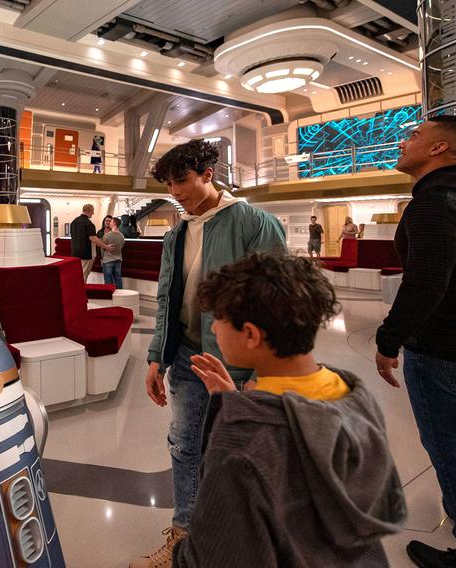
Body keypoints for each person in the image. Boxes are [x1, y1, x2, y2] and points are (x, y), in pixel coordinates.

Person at [174, 252, 406, 567]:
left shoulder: (241, 444)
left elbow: (214, 556)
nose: (213, 330)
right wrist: (233, 400)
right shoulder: (353, 396)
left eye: (219, 319)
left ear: (251, 334)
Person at [133, 139, 286, 568]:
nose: (176, 191)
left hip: (236, 364)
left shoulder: (255, 223)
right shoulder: (177, 233)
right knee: (184, 446)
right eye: (168, 183)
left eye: (181, 180)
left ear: (207, 175)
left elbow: (277, 302)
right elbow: (166, 300)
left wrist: (263, 370)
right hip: (185, 357)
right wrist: (155, 357)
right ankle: (185, 539)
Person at [374, 115, 456, 568]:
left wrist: (389, 341)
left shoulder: (435, 202)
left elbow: (425, 285)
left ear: (439, 148)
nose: (405, 142)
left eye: (415, 135)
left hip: (446, 355)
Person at [69, 204, 111, 282]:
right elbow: (93, 238)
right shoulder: (89, 223)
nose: (93, 213)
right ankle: (81, 293)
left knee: (78, 275)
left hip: (74, 253)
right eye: (92, 211)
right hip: (86, 254)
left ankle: (78, 292)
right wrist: (106, 246)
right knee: (83, 275)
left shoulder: (74, 222)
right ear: (89, 211)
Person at [101, 217, 125, 289]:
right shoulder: (122, 236)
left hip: (108, 260)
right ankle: (120, 295)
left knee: (108, 279)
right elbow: (121, 247)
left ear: (114, 223)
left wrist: (102, 258)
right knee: (118, 278)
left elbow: (102, 247)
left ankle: (109, 296)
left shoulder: (107, 235)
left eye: (111, 221)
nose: (109, 223)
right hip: (118, 259)